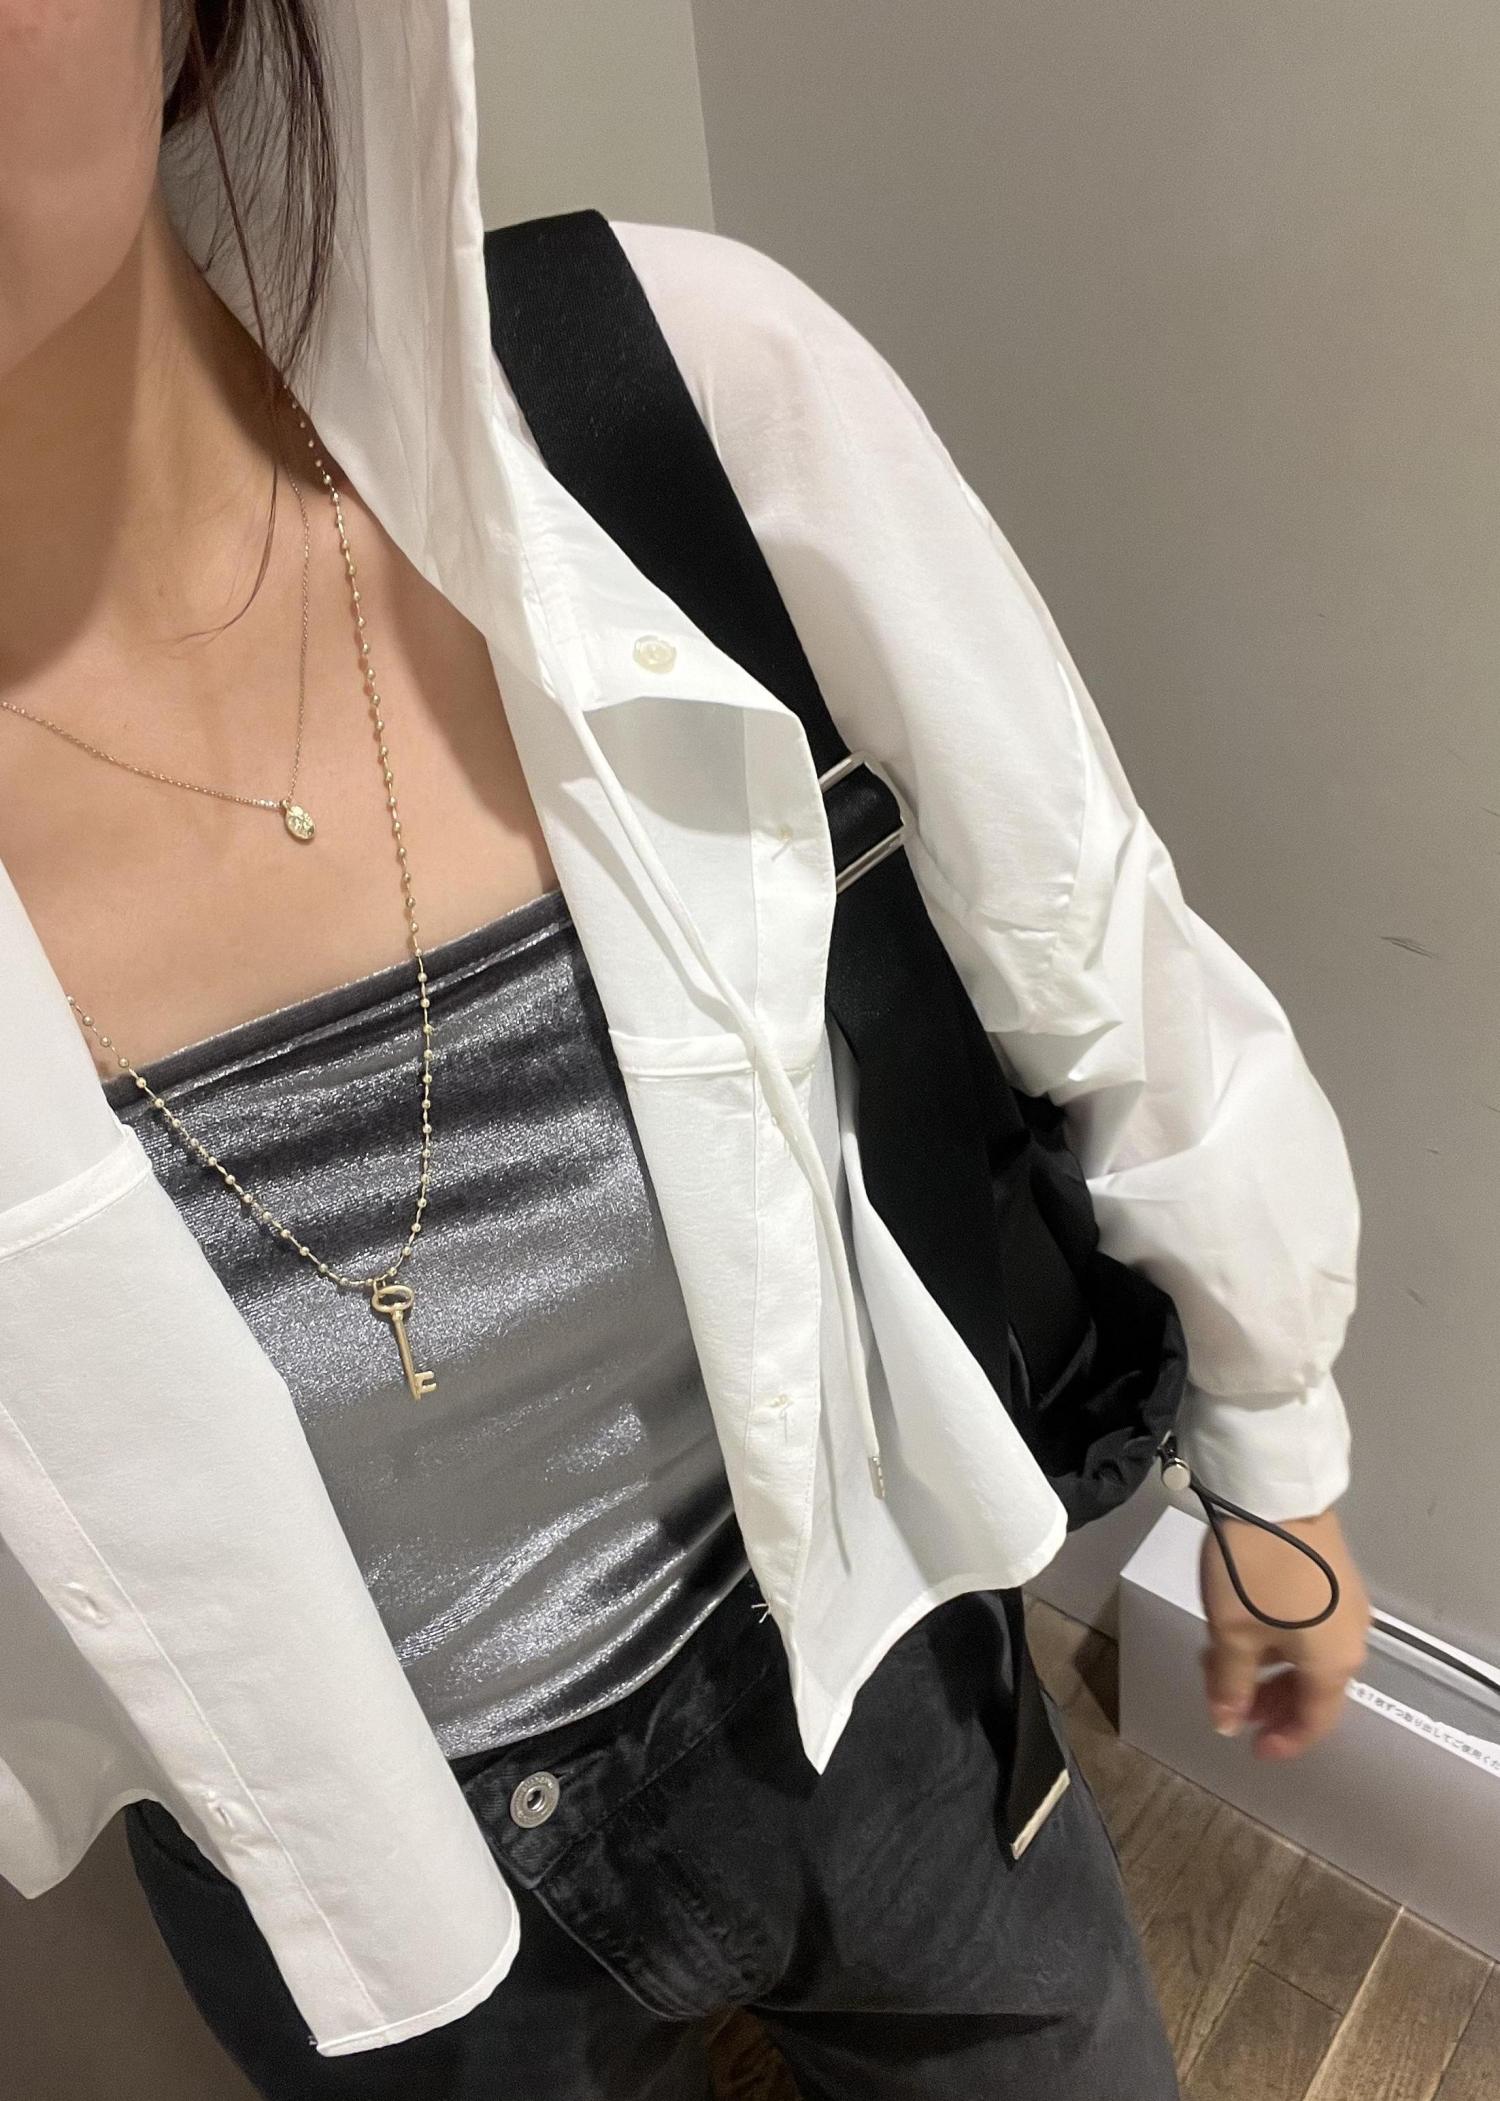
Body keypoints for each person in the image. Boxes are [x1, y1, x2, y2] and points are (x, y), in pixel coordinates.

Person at [0, 4, 1371, 2097]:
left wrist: (1273, 1439)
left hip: (875, 1662)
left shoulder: (661, 390)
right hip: (370, 1901)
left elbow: (1085, 924)